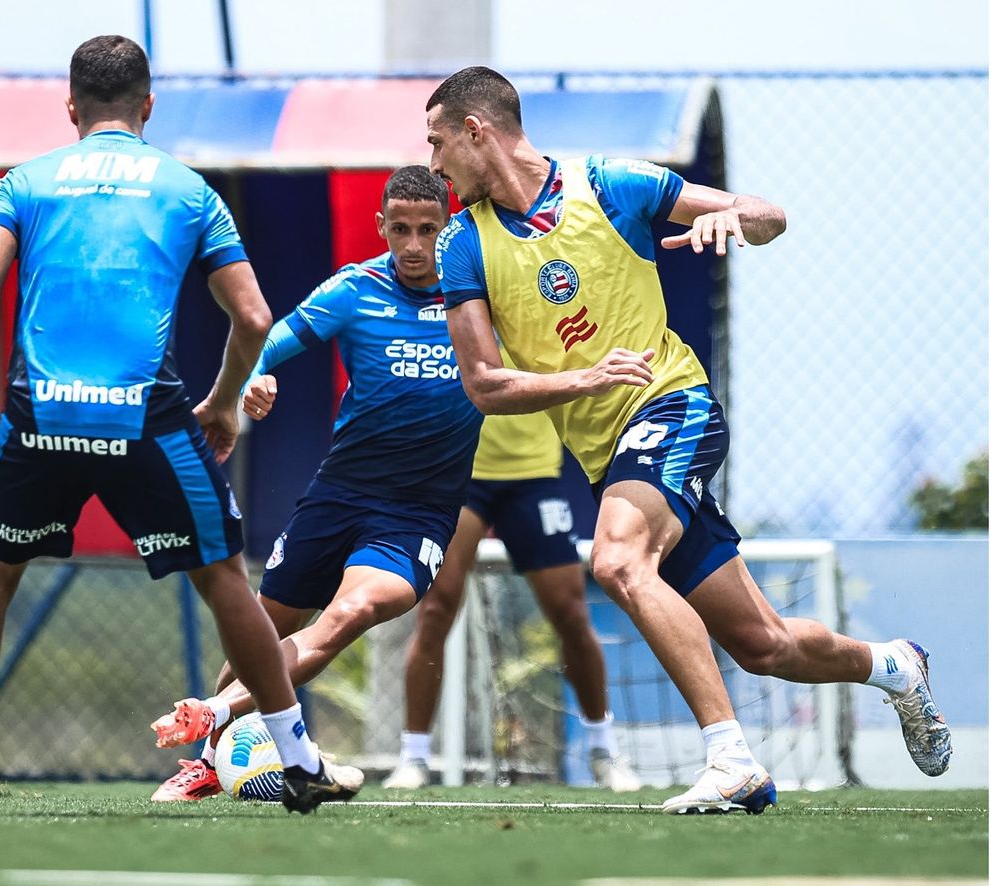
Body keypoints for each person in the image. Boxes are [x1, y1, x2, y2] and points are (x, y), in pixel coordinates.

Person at [424, 66, 951, 814]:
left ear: (477, 131)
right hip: (611, 455)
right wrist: (585, 380)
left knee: (616, 557)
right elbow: (485, 384)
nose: (434, 161)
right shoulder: (462, 243)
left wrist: (730, 217)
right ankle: (893, 664)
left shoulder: (609, 184)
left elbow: (771, 215)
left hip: (674, 407)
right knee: (763, 645)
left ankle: (730, 760)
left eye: (438, 141)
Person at [0, 35, 360, 816]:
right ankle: (298, 758)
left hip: (36, 415)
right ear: (149, 107)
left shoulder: (22, 182)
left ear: (71, 107)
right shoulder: (187, 190)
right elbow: (251, 314)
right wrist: (220, 404)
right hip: (143, 419)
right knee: (223, 580)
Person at [147, 165, 641, 801]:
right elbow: (270, 340)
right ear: (380, 227)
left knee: (354, 610)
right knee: (260, 632)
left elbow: (560, 331)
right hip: (337, 495)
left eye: (428, 230)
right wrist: (252, 379)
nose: (413, 245)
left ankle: (214, 719)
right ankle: (213, 762)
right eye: (399, 229)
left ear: (450, 227)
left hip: (419, 512)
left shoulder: (481, 299)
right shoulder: (356, 289)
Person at [383, 398, 640, 791]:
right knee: (436, 610)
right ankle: (414, 757)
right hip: (460, 473)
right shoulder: (448, 331)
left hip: (533, 475)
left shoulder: (536, 332)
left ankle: (603, 752)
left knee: (570, 614)